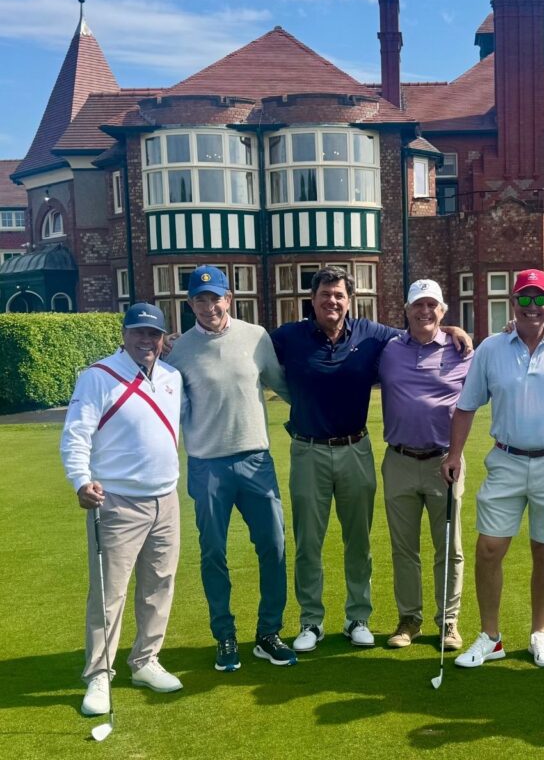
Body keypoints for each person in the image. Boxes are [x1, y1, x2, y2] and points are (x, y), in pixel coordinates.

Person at [271, 266, 470, 652]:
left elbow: (422, 330)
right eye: (325, 294)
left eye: (339, 295)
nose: (332, 301)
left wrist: (453, 331)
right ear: (312, 299)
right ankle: (311, 622)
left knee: (358, 540)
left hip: (357, 449)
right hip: (309, 449)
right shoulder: (289, 337)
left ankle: (357, 617)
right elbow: (255, 356)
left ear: (350, 300)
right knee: (309, 542)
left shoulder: (374, 336)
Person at [443, 268, 544, 670]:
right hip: (505, 459)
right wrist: (454, 454)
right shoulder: (492, 348)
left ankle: (539, 632)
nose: (532, 307)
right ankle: (491, 637)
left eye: (539, 298)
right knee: (490, 547)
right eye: (524, 298)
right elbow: (467, 405)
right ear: (513, 302)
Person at [163, 265, 296, 671]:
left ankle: (268, 633)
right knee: (213, 553)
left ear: (229, 299)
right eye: (200, 300)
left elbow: (285, 386)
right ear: (190, 305)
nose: (209, 306)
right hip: (207, 466)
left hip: (256, 460)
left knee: (273, 547)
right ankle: (224, 635)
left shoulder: (255, 337)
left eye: (215, 298)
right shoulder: (178, 350)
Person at [60, 303, 184, 717]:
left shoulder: (172, 377)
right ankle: (99, 673)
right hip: (116, 501)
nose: (146, 341)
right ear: (125, 334)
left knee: (159, 584)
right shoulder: (98, 376)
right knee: (109, 592)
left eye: (154, 335)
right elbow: (76, 434)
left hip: (166, 498)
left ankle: (145, 661)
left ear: (163, 339)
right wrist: (81, 481)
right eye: (139, 333)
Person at [378, 279, 473, 652]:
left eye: (432, 305)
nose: (425, 312)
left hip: (445, 462)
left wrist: (455, 331)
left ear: (443, 311)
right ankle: (409, 619)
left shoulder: (462, 350)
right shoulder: (388, 349)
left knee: (449, 547)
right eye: (418, 305)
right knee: (404, 548)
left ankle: (448, 622)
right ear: (406, 310)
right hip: (399, 459)